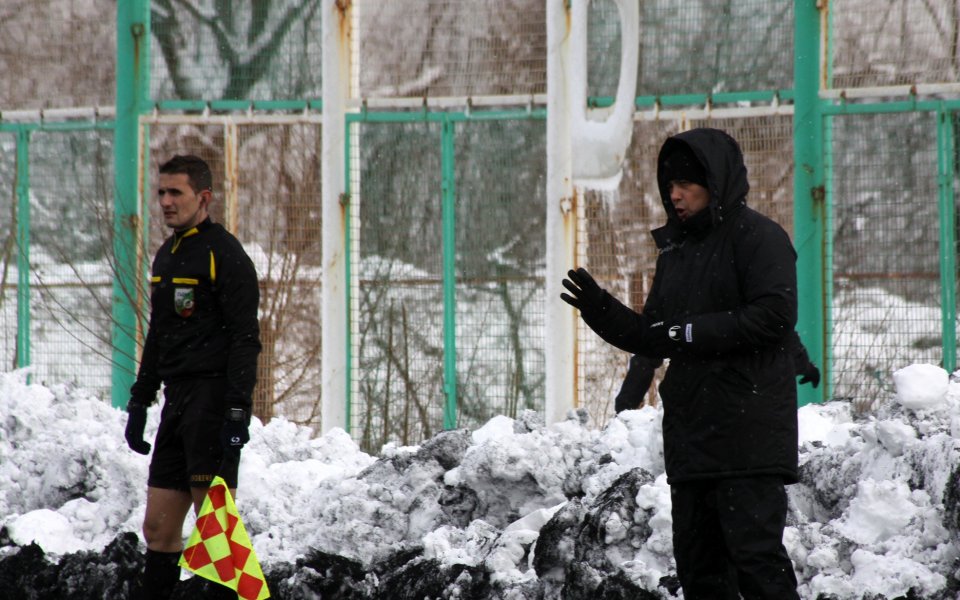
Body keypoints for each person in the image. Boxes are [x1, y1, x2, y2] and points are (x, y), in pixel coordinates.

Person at [562, 128, 807, 598]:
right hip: (692, 442)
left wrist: (690, 331)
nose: (674, 194)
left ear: (716, 181)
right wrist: (601, 309)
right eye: (669, 183)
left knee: (758, 566)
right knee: (700, 574)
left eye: (687, 183)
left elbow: (775, 315)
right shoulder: (678, 251)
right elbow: (652, 333)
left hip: (748, 439)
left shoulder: (759, 237)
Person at [123, 154, 262, 599]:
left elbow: (246, 338)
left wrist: (237, 410)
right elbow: (160, 334)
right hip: (176, 402)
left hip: (213, 400)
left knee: (214, 532)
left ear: (203, 197)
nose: (164, 201)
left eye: (175, 192)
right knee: (158, 527)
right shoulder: (167, 254)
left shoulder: (226, 255)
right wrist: (140, 400)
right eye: (161, 192)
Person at [614, 338, 820, 413]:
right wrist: (804, 365)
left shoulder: (688, 281)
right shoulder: (749, 284)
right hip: (735, 403)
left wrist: (625, 406)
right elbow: (779, 328)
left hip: (693, 402)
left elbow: (649, 348)